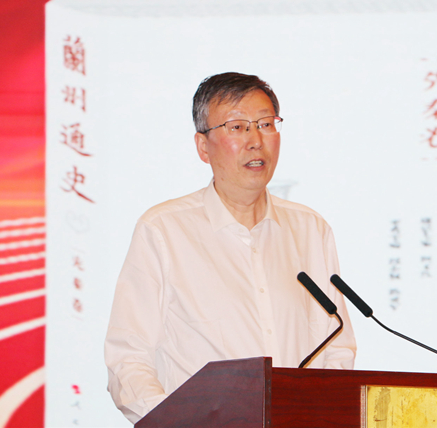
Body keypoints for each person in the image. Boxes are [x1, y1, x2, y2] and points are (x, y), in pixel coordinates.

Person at [104, 72, 357, 423]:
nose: (256, 141)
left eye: (266, 124)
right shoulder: (163, 230)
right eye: (237, 127)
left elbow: (336, 351)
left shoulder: (310, 230)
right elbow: (128, 359)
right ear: (203, 147)